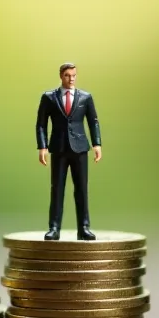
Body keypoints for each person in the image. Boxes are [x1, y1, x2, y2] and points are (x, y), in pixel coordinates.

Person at [35, 62, 102, 241]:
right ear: (61, 76)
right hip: (59, 148)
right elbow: (41, 124)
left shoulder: (85, 97)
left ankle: (84, 227)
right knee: (57, 189)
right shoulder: (49, 97)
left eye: (73, 75)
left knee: (82, 189)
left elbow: (93, 121)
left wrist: (97, 144)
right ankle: (54, 227)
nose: (71, 79)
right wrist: (42, 147)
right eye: (67, 75)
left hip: (80, 149)